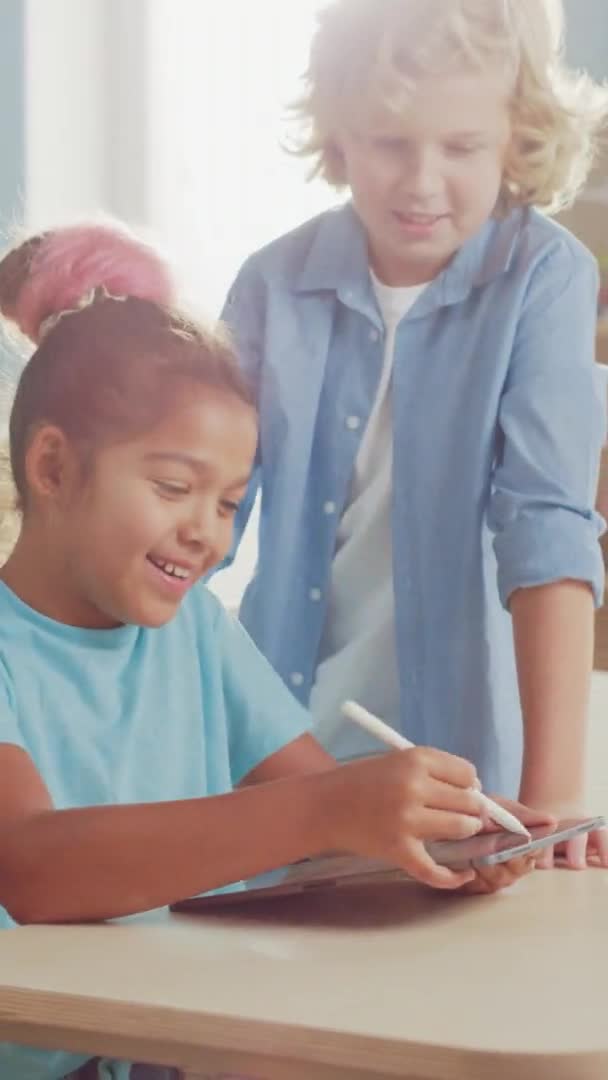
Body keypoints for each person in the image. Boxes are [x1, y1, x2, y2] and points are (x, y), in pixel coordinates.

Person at [0, 224, 547, 1080]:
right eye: (175, 488)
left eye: (228, 503)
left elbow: (324, 816)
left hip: (171, 1044)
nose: (207, 535)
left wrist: (439, 844)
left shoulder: (198, 632)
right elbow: (32, 869)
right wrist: (332, 809)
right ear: (53, 466)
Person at [219, 0, 608, 869]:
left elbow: (547, 533)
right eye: (390, 143)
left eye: (462, 148)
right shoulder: (271, 286)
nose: (421, 181)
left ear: (516, 138)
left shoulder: (544, 281)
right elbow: (201, 517)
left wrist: (552, 807)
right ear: (340, 136)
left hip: (467, 774)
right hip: (283, 751)